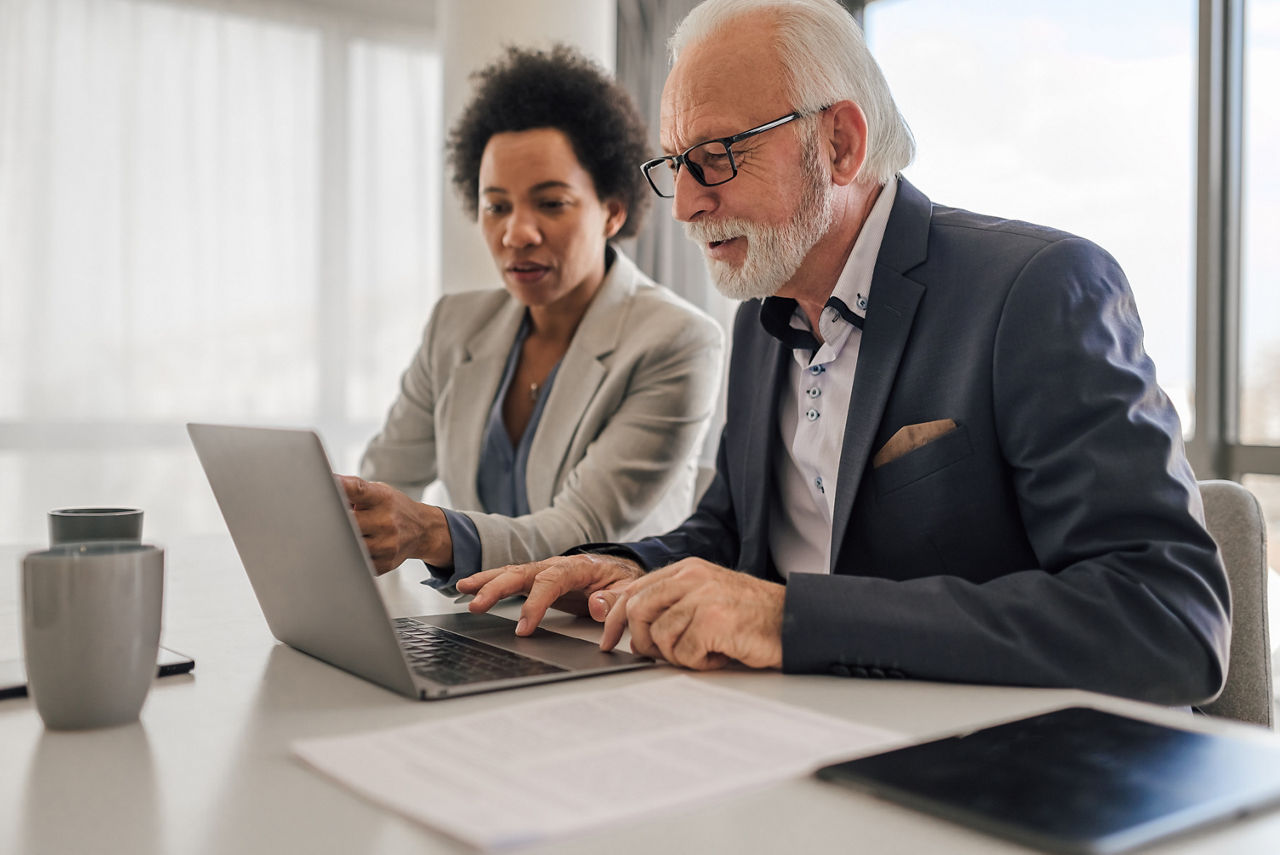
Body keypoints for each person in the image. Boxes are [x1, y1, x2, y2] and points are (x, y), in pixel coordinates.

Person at [456, 0, 1231, 706]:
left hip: (999, 767)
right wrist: (629, 566)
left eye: (718, 154)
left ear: (840, 142)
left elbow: (1167, 619)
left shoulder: (1037, 290)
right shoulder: (763, 312)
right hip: (799, 729)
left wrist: (792, 618)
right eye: (676, 163)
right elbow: (732, 535)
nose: (688, 204)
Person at [342, 45, 723, 588]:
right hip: (478, 625)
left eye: (550, 203)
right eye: (496, 205)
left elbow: (582, 532)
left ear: (612, 211)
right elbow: (380, 480)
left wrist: (428, 531)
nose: (516, 233)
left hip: (605, 638)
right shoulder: (455, 326)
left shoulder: (676, 341)